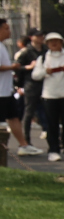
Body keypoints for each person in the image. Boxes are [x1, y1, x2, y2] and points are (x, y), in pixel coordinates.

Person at [0, 18, 39, 156]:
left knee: (13, 117)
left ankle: (23, 145)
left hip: (5, 89)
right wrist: (13, 66)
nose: (9, 31)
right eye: (6, 28)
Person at [35, 32, 64, 161]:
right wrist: (44, 71)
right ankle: (53, 150)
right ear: (47, 44)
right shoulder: (42, 58)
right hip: (49, 95)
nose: (54, 43)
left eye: (56, 41)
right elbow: (35, 75)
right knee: (52, 125)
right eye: (51, 41)